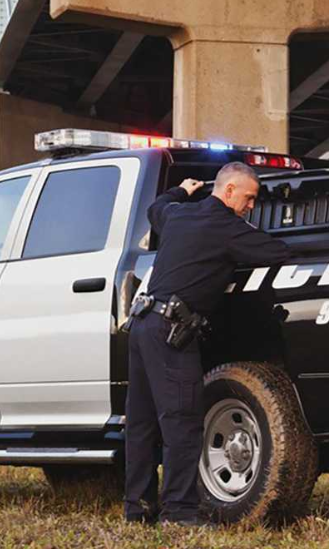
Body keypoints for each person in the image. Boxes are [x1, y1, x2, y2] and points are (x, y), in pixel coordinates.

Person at [124, 161, 291, 526]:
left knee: (141, 424)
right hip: (171, 331)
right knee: (183, 422)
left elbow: (156, 208)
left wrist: (181, 190)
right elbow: (277, 251)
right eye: (249, 198)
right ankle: (179, 511)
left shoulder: (178, 215)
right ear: (229, 191)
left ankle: (138, 509)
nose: (251, 206)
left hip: (142, 324)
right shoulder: (227, 228)